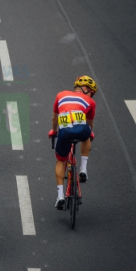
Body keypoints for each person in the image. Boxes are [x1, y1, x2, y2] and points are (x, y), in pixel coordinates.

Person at [48, 76, 97, 210]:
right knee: (87, 135)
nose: (91, 96)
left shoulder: (61, 95)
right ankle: (83, 169)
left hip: (64, 131)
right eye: (91, 93)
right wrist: (90, 133)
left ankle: (60, 196)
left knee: (61, 161)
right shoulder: (90, 102)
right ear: (86, 90)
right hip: (81, 129)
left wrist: (54, 131)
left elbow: (55, 118)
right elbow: (90, 125)